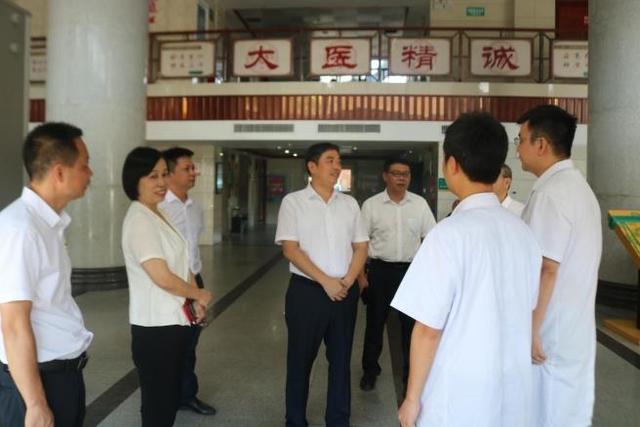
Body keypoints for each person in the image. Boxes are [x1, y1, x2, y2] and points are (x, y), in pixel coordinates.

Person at [392, 112, 542, 427]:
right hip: (514, 392)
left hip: (459, 397)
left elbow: (428, 330)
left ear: (452, 165)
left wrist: (411, 398)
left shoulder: (448, 234)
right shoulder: (523, 233)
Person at [0, 122, 94, 427]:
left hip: (61, 377)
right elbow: (13, 323)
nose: (90, 173)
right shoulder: (21, 229)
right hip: (37, 385)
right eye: (85, 165)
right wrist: (36, 403)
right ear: (59, 172)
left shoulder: (48, 224)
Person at [516, 105, 602, 427]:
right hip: (571, 330)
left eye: (521, 139)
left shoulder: (552, 194)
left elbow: (546, 269)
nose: (518, 149)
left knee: (548, 412)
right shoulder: (577, 188)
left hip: (549, 333)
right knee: (567, 412)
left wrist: (531, 330)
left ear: (541, 144)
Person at [275, 143, 369, 427]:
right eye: (330, 160)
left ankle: (338, 420)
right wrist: (326, 281)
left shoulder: (349, 204)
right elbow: (290, 249)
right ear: (312, 166)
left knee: (341, 362)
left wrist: (348, 281)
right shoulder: (293, 202)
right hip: (307, 293)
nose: (337, 166)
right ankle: (295, 420)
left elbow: (361, 247)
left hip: (344, 291)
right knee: (300, 361)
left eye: (338, 161)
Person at [121, 147, 213, 427]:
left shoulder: (158, 213)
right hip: (155, 328)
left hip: (173, 321)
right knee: (158, 405)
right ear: (135, 180)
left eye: (163, 175)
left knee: (168, 398)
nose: (161, 182)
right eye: (152, 176)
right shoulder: (140, 219)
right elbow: (161, 275)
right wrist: (198, 293)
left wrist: (193, 300)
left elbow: (183, 260)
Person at [358, 157, 436, 391]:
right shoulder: (371, 205)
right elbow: (360, 243)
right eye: (396, 173)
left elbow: (430, 239)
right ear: (385, 176)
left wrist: (427, 275)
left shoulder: (419, 204)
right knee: (375, 324)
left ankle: (410, 375)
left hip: (410, 274)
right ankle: (370, 371)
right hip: (380, 272)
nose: (402, 178)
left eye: (406, 174)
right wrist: (361, 277)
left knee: (410, 328)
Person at [159, 147, 216, 416]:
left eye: (194, 168)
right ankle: (165, 397)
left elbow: (192, 246)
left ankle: (186, 395)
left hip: (194, 278)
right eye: (187, 168)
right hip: (169, 283)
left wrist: (197, 290)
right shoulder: (160, 208)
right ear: (169, 173)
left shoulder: (194, 207)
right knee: (169, 343)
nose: (194, 172)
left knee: (190, 342)